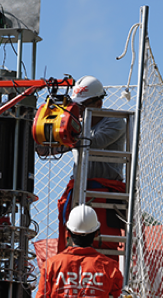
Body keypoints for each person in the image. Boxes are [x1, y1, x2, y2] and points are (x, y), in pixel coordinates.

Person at [55, 76, 128, 258]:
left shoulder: (115, 121)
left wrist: (66, 136)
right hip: (80, 189)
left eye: (83, 105)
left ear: (99, 103)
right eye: (76, 105)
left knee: (103, 245)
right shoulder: (75, 124)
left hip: (105, 192)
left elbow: (94, 142)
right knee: (73, 248)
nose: (78, 110)